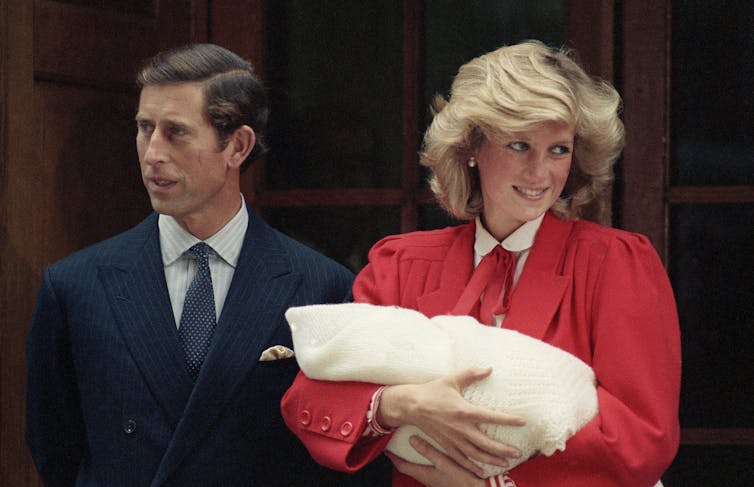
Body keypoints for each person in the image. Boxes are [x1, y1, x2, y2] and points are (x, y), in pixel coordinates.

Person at [281, 40, 681, 487]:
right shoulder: (400, 263)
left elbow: (643, 439)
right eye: (519, 145)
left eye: (559, 150)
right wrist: (404, 406)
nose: (540, 173)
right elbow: (308, 400)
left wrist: (493, 483)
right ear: (472, 146)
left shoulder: (617, 265)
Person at [26, 43, 389, 486]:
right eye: (145, 128)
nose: (151, 152)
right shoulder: (74, 286)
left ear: (237, 145)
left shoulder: (323, 286)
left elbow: (342, 458)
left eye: (175, 132)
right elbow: (56, 451)